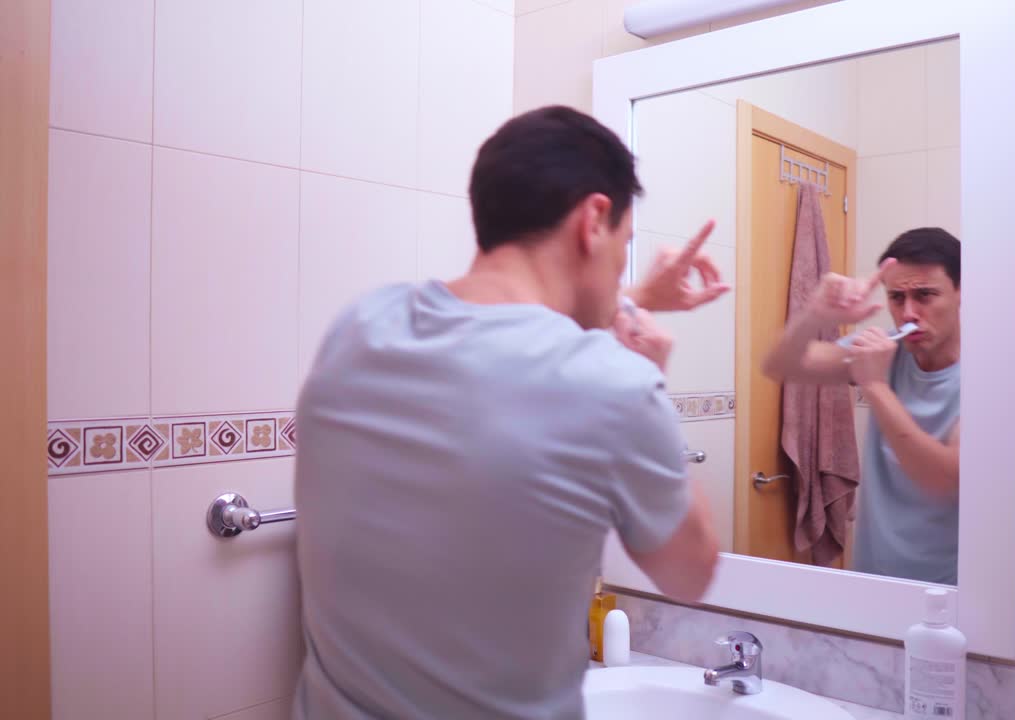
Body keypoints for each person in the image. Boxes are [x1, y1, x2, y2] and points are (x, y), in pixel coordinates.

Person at [291, 105, 728, 720]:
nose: (621, 269)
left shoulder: (360, 327)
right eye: (625, 245)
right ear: (593, 220)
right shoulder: (615, 386)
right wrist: (653, 376)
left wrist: (632, 299)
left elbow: (499, 330)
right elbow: (691, 574)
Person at [762, 227, 961, 584]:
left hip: (950, 589)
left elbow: (942, 479)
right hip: (872, 577)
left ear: (962, 292)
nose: (908, 313)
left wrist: (874, 385)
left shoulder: (987, 375)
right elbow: (780, 366)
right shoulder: (886, 349)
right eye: (896, 297)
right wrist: (815, 316)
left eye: (925, 295)